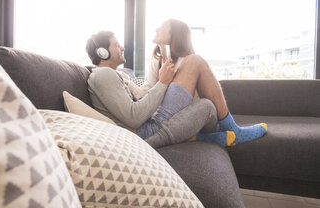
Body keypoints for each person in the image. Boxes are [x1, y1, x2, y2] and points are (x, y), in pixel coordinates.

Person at [85, 31, 241, 148]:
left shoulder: (114, 75)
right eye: (117, 44)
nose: (123, 47)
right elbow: (134, 117)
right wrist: (163, 83)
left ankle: (200, 135)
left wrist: (163, 81)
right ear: (102, 52)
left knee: (196, 69)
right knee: (206, 104)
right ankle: (223, 130)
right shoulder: (102, 75)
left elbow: (138, 100)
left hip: (151, 120)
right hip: (148, 131)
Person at [132, 19, 268, 147]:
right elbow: (147, 90)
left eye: (163, 26)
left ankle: (227, 129)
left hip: (195, 116)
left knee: (198, 72)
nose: (156, 29)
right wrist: (128, 84)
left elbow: (192, 102)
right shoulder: (157, 62)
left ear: (175, 34)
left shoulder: (186, 63)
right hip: (167, 121)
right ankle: (199, 136)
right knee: (197, 62)